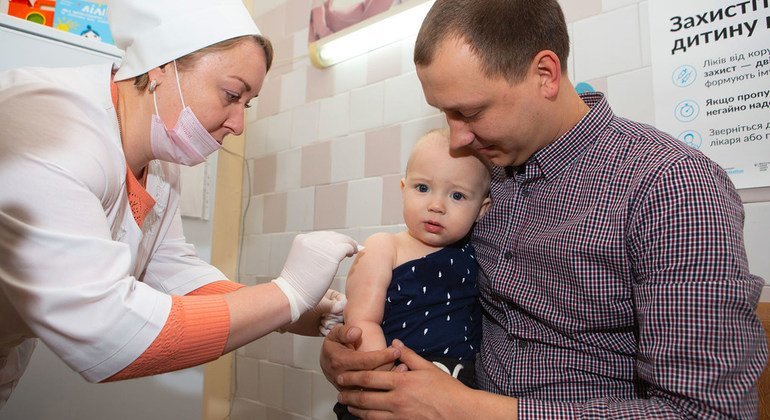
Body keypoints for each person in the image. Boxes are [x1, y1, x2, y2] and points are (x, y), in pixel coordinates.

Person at [320, 0, 768, 418]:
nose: (457, 140)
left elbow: (707, 410)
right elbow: (418, 278)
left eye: (471, 112)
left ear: (546, 74)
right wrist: (353, 354)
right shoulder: (479, 178)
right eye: (444, 114)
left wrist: (469, 410)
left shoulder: (671, 185)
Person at [0, 0, 359, 409]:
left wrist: (299, 313)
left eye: (248, 104)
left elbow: (174, 272)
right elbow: (106, 331)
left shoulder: (158, 164)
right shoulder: (50, 127)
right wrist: (286, 295)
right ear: (160, 67)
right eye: (231, 94)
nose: (239, 124)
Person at [334, 129, 490, 419]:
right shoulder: (384, 247)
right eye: (422, 188)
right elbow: (363, 321)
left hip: (460, 389)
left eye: (457, 195)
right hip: (391, 382)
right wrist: (383, 380)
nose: (436, 205)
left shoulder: (477, 254)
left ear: (481, 210)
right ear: (403, 188)